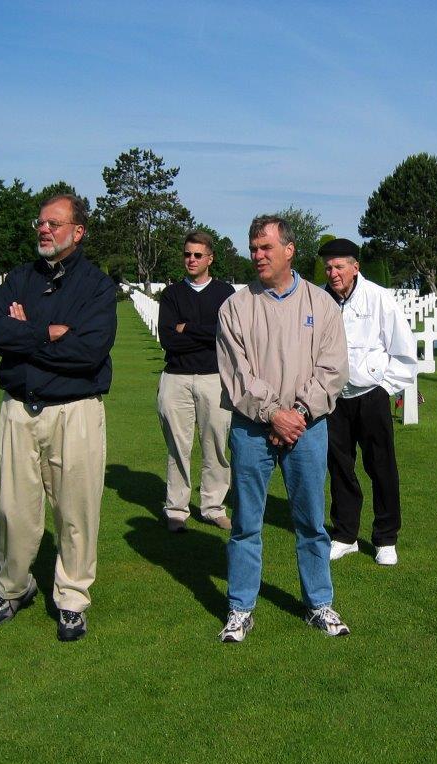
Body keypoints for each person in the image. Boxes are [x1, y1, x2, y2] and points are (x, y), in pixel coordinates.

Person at [0, 193, 117, 642]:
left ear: (77, 232)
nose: (44, 229)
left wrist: (27, 335)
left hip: (74, 412)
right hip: (19, 410)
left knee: (76, 510)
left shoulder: (96, 286)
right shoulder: (18, 280)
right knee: (14, 509)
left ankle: (72, 598)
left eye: (54, 223)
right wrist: (47, 333)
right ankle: (14, 588)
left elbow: (89, 350)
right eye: (40, 222)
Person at [215, 215, 350, 642]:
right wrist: (273, 414)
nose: (256, 255)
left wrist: (298, 415)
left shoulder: (320, 304)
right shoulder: (236, 307)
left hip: (308, 429)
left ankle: (319, 603)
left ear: (289, 250)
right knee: (246, 523)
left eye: (265, 248)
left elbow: (332, 368)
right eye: (253, 248)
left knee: (311, 521)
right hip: (252, 429)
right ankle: (240, 607)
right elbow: (237, 374)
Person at [319, 238, 417, 566]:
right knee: (340, 468)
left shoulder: (378, 297)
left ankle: (386, 538)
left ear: (355, 267)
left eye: (340, 266)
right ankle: (346, 534)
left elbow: (402, 348)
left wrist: (384, 388)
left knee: (381, 467)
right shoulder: (320, 299)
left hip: (371, 395)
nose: (333, 273)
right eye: (329, 267)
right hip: (334, 398)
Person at [156, 231, 236, 532]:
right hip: (175, 378)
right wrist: (206, 334)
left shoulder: (225, 293)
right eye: (187, 254)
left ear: (210, 258)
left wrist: (187, 327)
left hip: (215, 378)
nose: (191, 259)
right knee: (178, 446)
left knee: (215, 445)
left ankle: (213, 506)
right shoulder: (172, 294)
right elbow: (168, 340)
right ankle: (176, 508)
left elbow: (226, 337)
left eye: (198, 255)